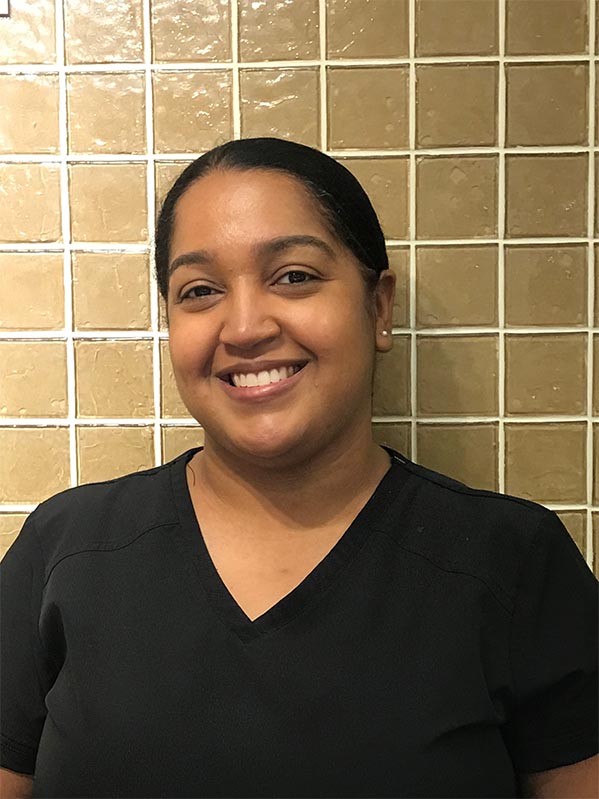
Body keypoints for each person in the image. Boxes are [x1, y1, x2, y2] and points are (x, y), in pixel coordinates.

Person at [0, 137, 597, 799]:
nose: (245, 325)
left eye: (293, 276)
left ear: (378, 306)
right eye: (199, 290)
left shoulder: (512, 563)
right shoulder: (66, 550)